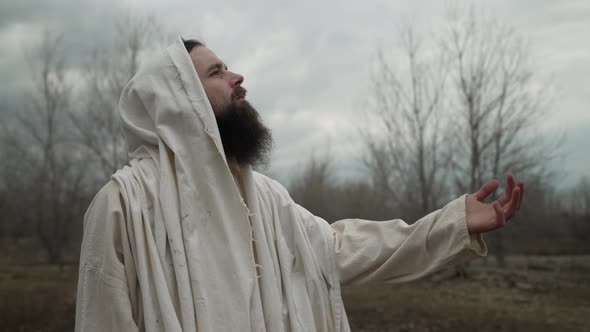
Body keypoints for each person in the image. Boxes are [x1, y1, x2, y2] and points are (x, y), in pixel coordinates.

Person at [74, 37, 524, 332]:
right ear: (177, 101)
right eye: (216, 73)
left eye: (228, 67)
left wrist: (451, 223)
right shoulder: (125, 204)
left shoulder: (265, 199)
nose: (237, 77)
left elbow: (337, 249)